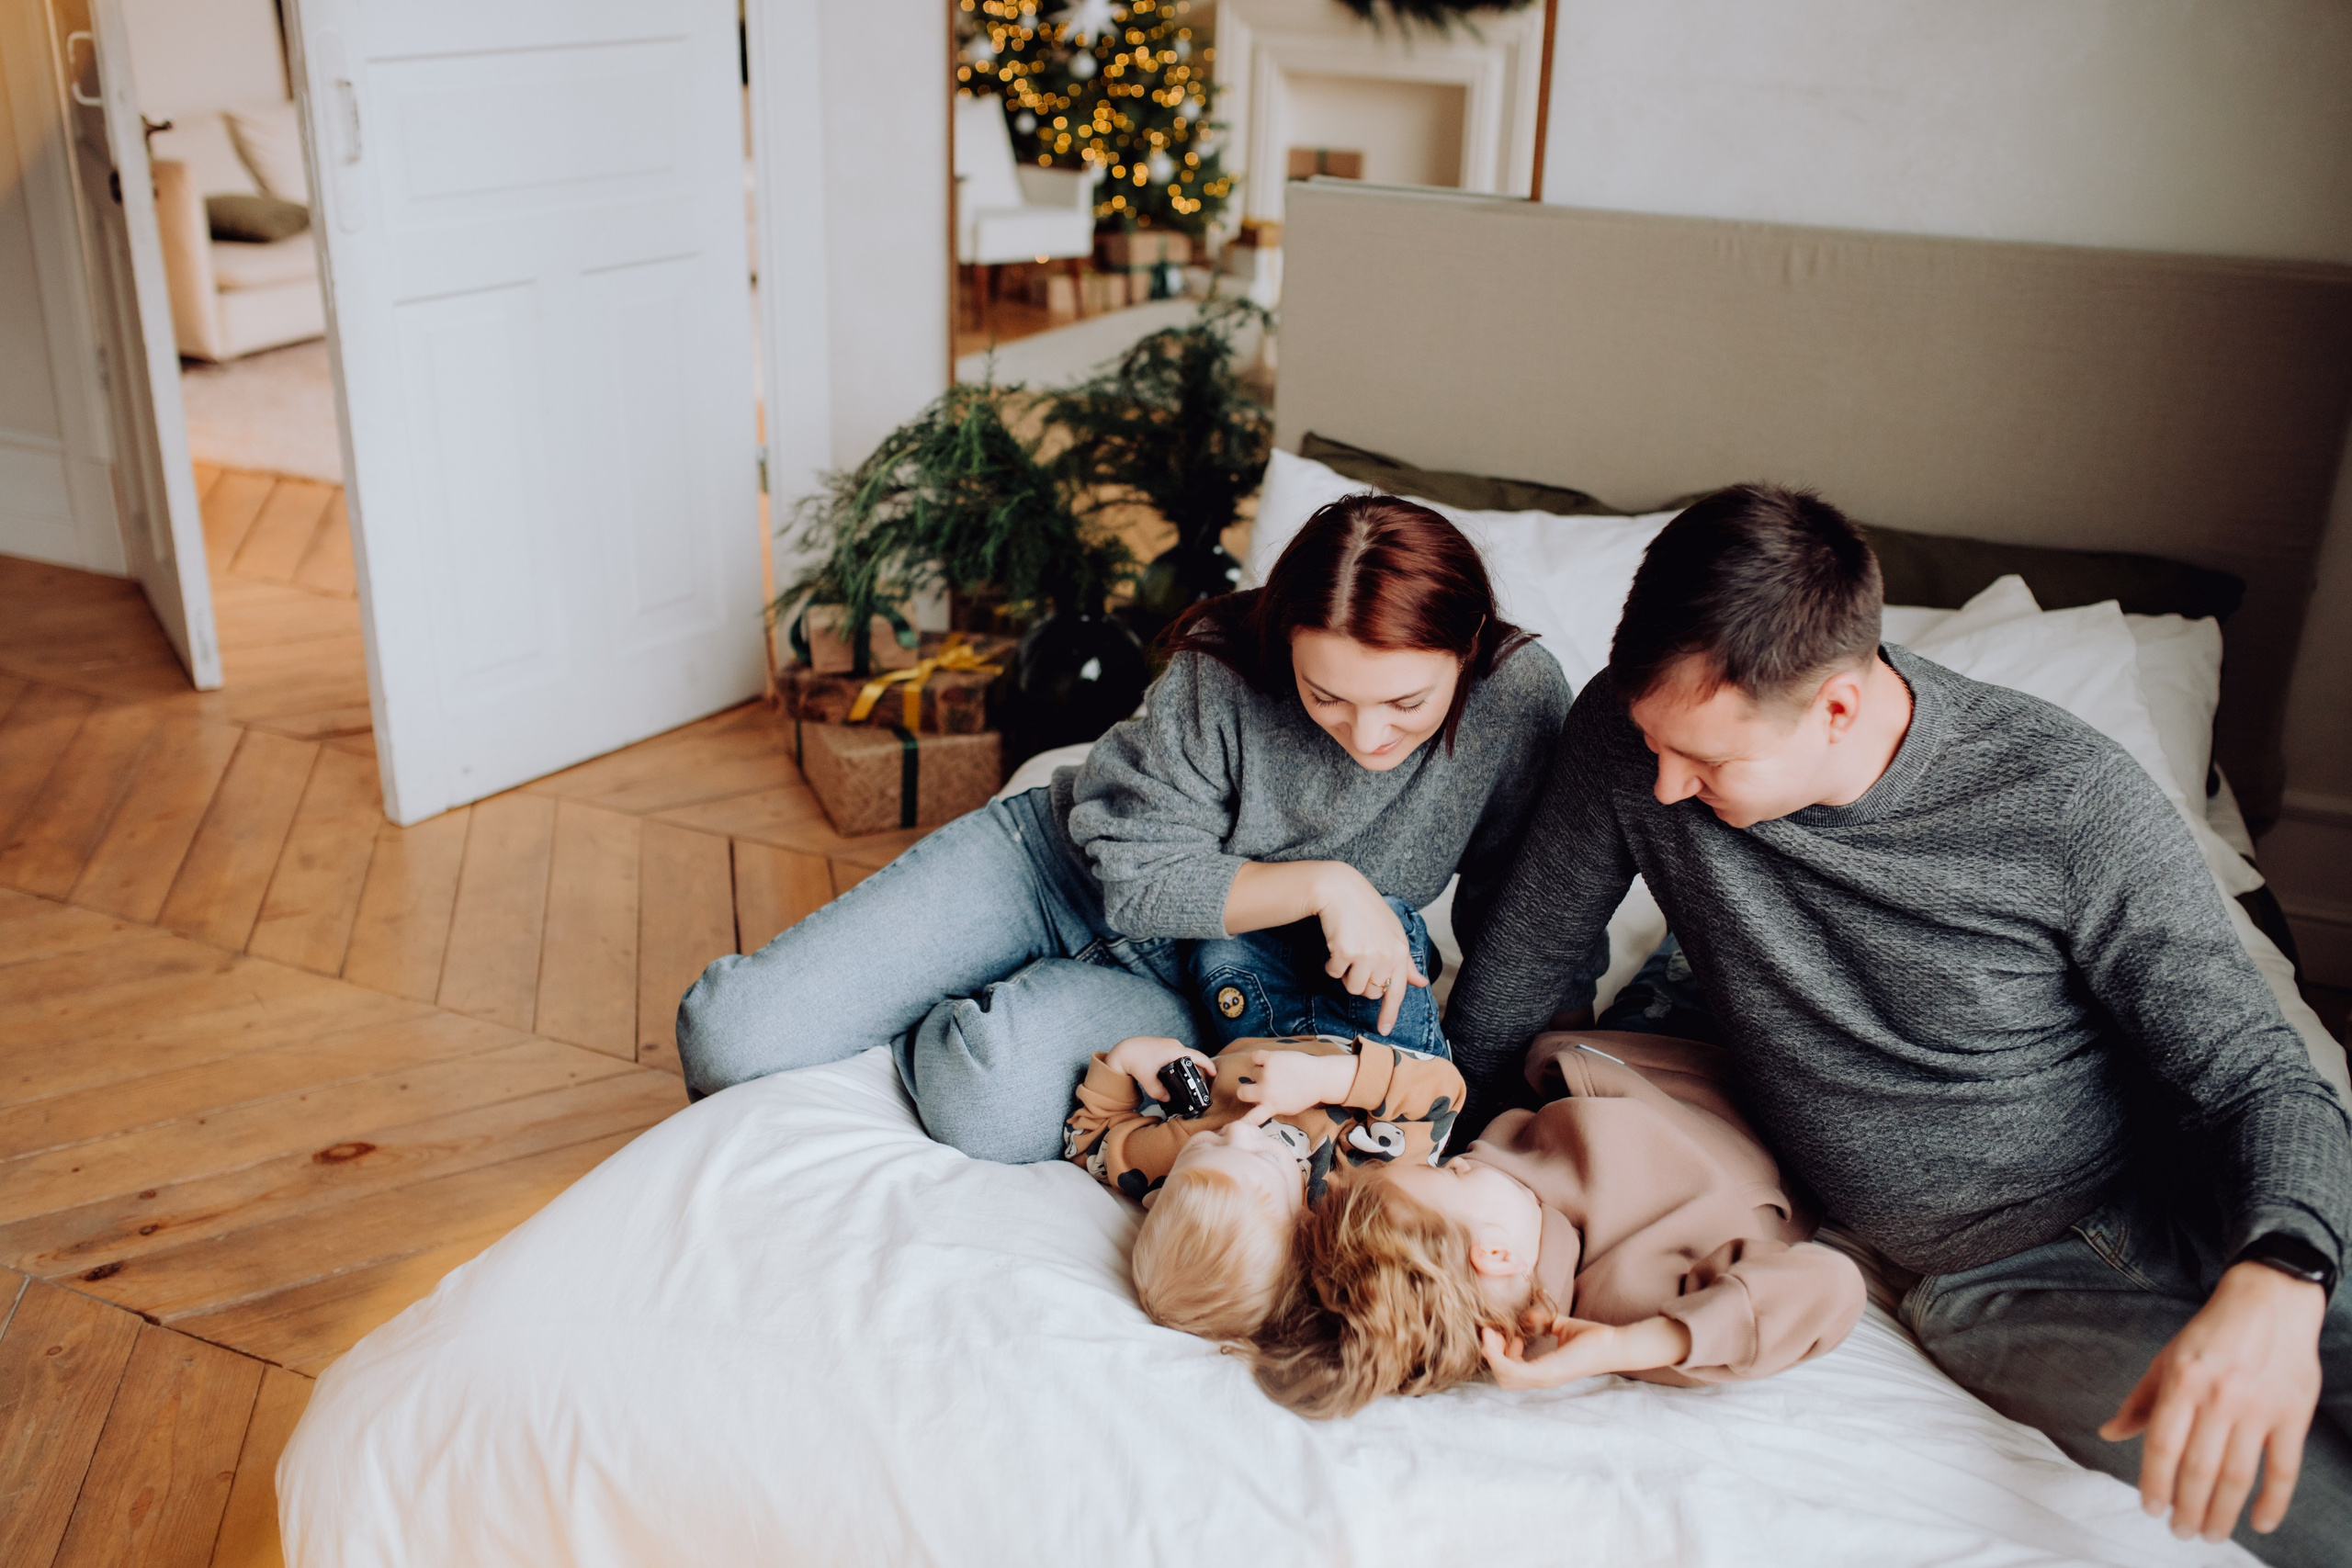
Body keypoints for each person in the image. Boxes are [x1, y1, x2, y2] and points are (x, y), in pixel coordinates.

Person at [1442, 484, 2352, 1564]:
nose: (1668, 787)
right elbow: (1526, 965)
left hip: (2196, 1182)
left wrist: (2282, 1274)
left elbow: (2254, 1074)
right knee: (2293, 1508)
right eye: (1656, 745)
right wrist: (1461, 1158)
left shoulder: (2066, 802)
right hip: (1996, 1283)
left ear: (1836, 705)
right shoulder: (1632, 741)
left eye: (1714, 763)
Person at [675, 492, 1570, 1164]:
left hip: (1220, 978)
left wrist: (1488, 1129)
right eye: (1325, 696)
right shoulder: (1223, 659)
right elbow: (1140, 882)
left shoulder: (1518, 699)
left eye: (1406, 703)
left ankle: (997, 999)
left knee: (982, 1101)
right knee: (733, 1040)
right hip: (1059, 871)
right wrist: (1332, 884)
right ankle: (965, 957)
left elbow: (1523, 926)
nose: (1368, 737)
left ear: (1468, 650)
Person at [1250, 1030, 1864, 1418]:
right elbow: (1833, 1286)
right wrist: (1632, 1344)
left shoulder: (1510, 1210)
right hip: (1766, 1089)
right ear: (1494, 1253)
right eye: (1457, 1173)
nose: (1465, 1157)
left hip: (1631, 1048)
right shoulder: (1630, 1301)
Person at [1063, 1032, 1465, 1339]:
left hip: (1247, 1026)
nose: (1237, 1131)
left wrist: (1128, 1057)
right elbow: (1442, 1093)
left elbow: (1087, 1144)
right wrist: (1325, 1079)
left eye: (1210, 1143)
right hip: (1377, 1035)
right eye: (1266, 1157)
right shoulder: (1354, 1189)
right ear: (1302, 1226)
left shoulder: (1170, 1171)